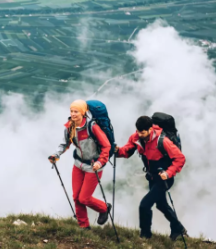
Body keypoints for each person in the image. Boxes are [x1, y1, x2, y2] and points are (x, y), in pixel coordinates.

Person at [116, 115, 187, 240]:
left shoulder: (163, 141)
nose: (139, 134)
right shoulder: (136, 137)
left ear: (150, 129)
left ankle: (145, 236)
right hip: (152, 177)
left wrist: (168, 173)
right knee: (161, 205)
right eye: (138, 131)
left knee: (144, 205)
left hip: (164, 179)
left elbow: (180, 158)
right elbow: (127, 151)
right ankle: (178, 229)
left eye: (142, 132)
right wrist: (116, 151)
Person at [48, 100, 112, 228]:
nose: (73, 114)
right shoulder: (70, 127)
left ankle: (104, 208)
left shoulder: (92, 127)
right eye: (71, 111)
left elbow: (106, 146)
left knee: (84, 198)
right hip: (78, 165)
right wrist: (56, 154)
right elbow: (65, 144)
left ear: (83, 113)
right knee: (77, 197)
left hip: (93, 167)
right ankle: (83, 226)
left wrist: (100, 162)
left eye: (76, 111)